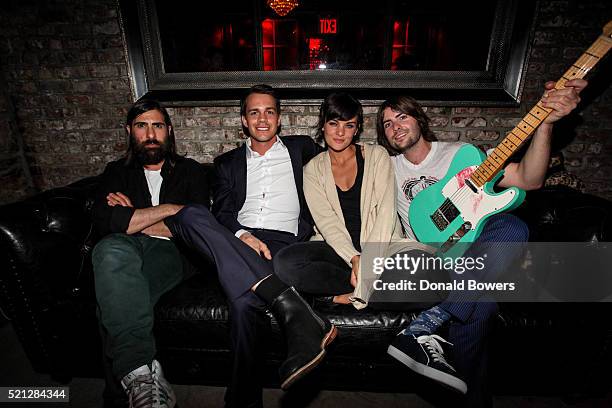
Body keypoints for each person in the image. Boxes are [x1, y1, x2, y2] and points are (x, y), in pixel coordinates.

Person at [376, 79, 587, 406]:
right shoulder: (386, 167)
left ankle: (431, 323)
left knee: (512, 229)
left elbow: (530, 180)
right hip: (430, 258)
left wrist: (545, 124)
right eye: (387, 123)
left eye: (401, 116)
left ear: (419, 118)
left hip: (473, 252)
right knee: (482, 302)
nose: (395, 126)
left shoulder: (463, 155)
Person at [167, 84, 333, 408]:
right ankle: (292, 305)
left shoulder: (303, 149)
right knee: (189, 215)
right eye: (254, 112)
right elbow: (223, 212)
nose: (262, 119)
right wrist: (243, 235)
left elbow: (336, 177)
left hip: (284, 243)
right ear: (244, 120)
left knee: (243, 303)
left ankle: (242, 400)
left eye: (269, 111)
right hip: (237, 240)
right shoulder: (226, 163)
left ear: (279, 118)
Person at [92, 99, 210, 408]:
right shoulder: (115, 172)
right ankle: (141, 376)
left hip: (172, 254)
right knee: (109, 251)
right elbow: (108, 222)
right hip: (123, 249)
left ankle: (120, 393)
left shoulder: (190, 171)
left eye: (157, 126)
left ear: (168, 131)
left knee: (113, 294)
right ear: (130, 131)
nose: (150, 134)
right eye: (142, 126)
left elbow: (194, 226)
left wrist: (133, 217)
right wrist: (171, 210)